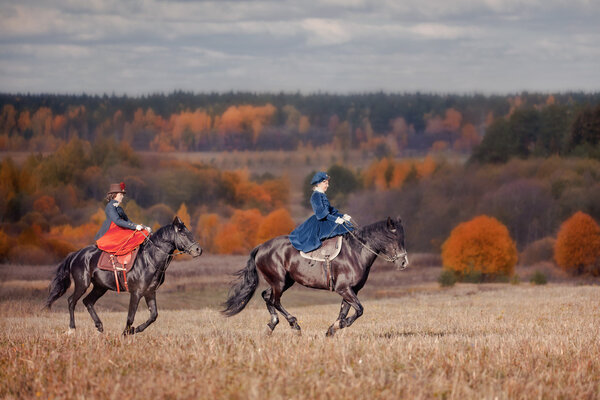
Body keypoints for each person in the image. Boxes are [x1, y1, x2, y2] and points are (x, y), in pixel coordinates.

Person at [289, 171, 353, 252]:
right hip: (320, 221)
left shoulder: (322, 195)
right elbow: (321, 214)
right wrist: (336, 219)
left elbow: (330, 210)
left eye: (327, 183)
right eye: (325, 183)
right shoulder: (316, 196)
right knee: (342, 227)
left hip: (326, 218)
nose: (328, 185)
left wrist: (342, 216)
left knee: (347, 224)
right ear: (319, 183)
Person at [95, 182, 150, 255]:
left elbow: (127, 221)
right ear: (115, 195)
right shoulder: (110, 206)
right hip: (112, 231)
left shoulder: (119, 207)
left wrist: (141, 227)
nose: (122, 197)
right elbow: (117, 221)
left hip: (120, 228)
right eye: (121, 194)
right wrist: (135, 226)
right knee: (137, 237)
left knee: (143, 232)